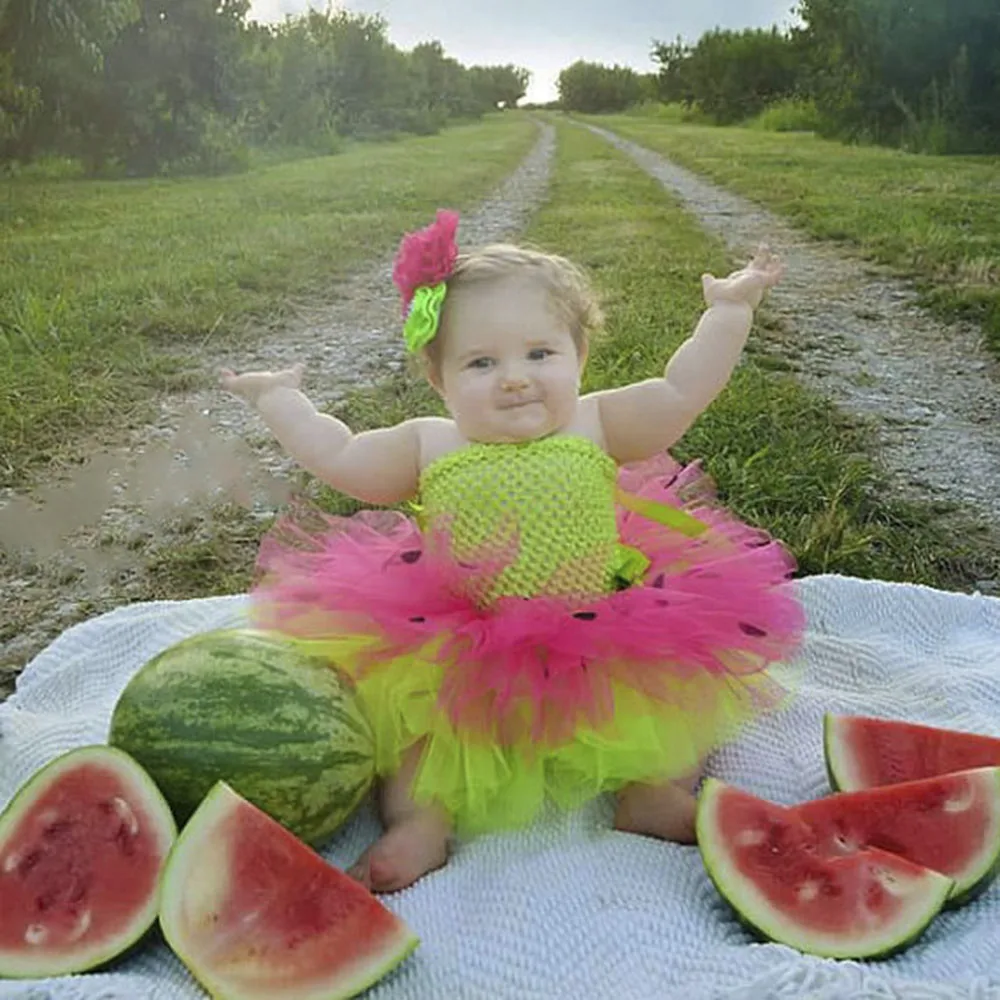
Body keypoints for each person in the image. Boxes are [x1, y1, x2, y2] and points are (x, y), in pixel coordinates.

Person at [220, 209, 804, 893]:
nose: (515, 378)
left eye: (540, 354)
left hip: (604, 627)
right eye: (481, 362)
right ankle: (419, 823)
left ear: (579, 357)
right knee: (418, 741)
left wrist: (729, 312)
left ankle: (652, 793)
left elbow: (683, 390)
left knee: (676, 703)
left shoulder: (597, 420)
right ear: (439, 380)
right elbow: (341, 454)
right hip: (467, 641)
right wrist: (281, 401)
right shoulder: (429, 442)